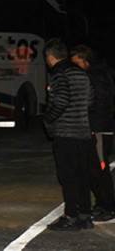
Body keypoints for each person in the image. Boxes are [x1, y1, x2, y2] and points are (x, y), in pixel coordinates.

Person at [43, 39, 94, 231]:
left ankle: (71, 216)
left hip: (66, 133)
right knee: (82, 176)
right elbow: (90, 99)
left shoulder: (59, 74)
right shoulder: (81, 73)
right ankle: (85, 216)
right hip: (83, 132)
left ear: (50, 56)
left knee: (68, 177)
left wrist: (48, 119)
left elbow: (61, 100)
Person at [71, 45, 115, 221]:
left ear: (84, 59)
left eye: (77, 63)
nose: (76, 67)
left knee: (100, 168)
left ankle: (108, 206)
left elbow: (100, 103)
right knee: (94, 168)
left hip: (99, 129)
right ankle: (102, 203)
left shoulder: (97, 76)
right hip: (97, 127)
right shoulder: (99, 73)